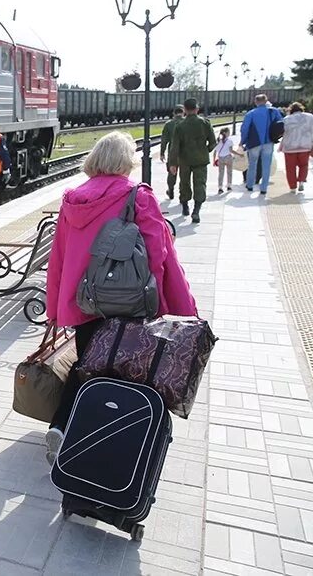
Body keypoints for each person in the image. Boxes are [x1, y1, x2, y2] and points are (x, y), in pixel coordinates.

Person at [42, 131, 197, 465]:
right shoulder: (137, 195)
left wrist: (55, 305)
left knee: (87, 366)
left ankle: (63, 425)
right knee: (126, 368)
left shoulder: (73, 198)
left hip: (84, 300)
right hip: (129, 299)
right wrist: (159, 296)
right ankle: (109, 438)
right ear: (126, 161)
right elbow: (158, 251)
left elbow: (58, 256)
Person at [169, 98, 216, 223]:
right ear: (197, 109)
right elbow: (213, 142)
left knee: (184, 183)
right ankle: (196, 210)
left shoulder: (180, 126)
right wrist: (205, 151)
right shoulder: (205, 123)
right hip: (201, 160)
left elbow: (175, 147)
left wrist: (173, 163)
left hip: (184, 160)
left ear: (184, 110)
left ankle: (185, 205)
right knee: (200, 184)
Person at [240, 94, 284, 194]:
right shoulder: (273, 111)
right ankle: (263, 188)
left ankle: (250, 185)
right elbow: (281, 123)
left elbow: (245, 129)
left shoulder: (251, 113)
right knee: (266, 165)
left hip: (254, 142)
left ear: (255, 102)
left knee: (252, 164)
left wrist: (243, 141)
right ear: (266, 101)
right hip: (269, 142)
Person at [280, 102, 313, 193]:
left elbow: (283, 132)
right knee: (304, 165)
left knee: (290, 168)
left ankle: (293, 187)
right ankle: (301, 181)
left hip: (290, 147)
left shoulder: (286, 119)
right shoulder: (310, 117)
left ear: (291, 110)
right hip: (305, 145)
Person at [159, 105, 185, 199]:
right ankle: (183, 193)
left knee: (171, 172)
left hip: (172, 151)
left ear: (173, 113)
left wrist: (162, 153)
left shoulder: (168, 124)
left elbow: (164, 140)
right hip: (185, 152)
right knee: (184, 173)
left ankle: (171, 190)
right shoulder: (186, 122)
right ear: (183, 113)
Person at [213, 127, 235, 194]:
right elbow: (231, 150)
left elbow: (215, 152)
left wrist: (214, 161)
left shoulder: (219, 141)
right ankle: (229, 185)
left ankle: (220, 187)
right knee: (229, 172)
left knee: (221, 173)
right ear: (226, 133)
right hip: (228, 157)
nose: (229, 133)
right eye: (228, 132)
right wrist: (239, 154)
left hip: (220, 158)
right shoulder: (230, 141)